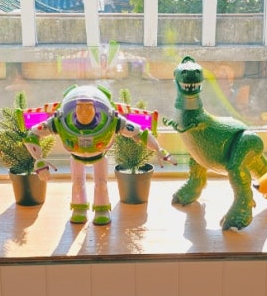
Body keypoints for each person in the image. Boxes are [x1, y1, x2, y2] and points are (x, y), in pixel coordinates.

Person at [22, 84, 174, 225]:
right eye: (80, 108)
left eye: (88, 107)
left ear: (95, 108)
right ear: (74, 108)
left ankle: (102, 209)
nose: (84, 112)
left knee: (101, 184)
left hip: (99, 157)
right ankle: (79, 208)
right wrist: (39, 160)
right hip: (76, 157)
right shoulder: (60, 121)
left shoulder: (112, 120)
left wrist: (158, 149)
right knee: (77, 183)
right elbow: (32, 135)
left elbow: (139, 133)